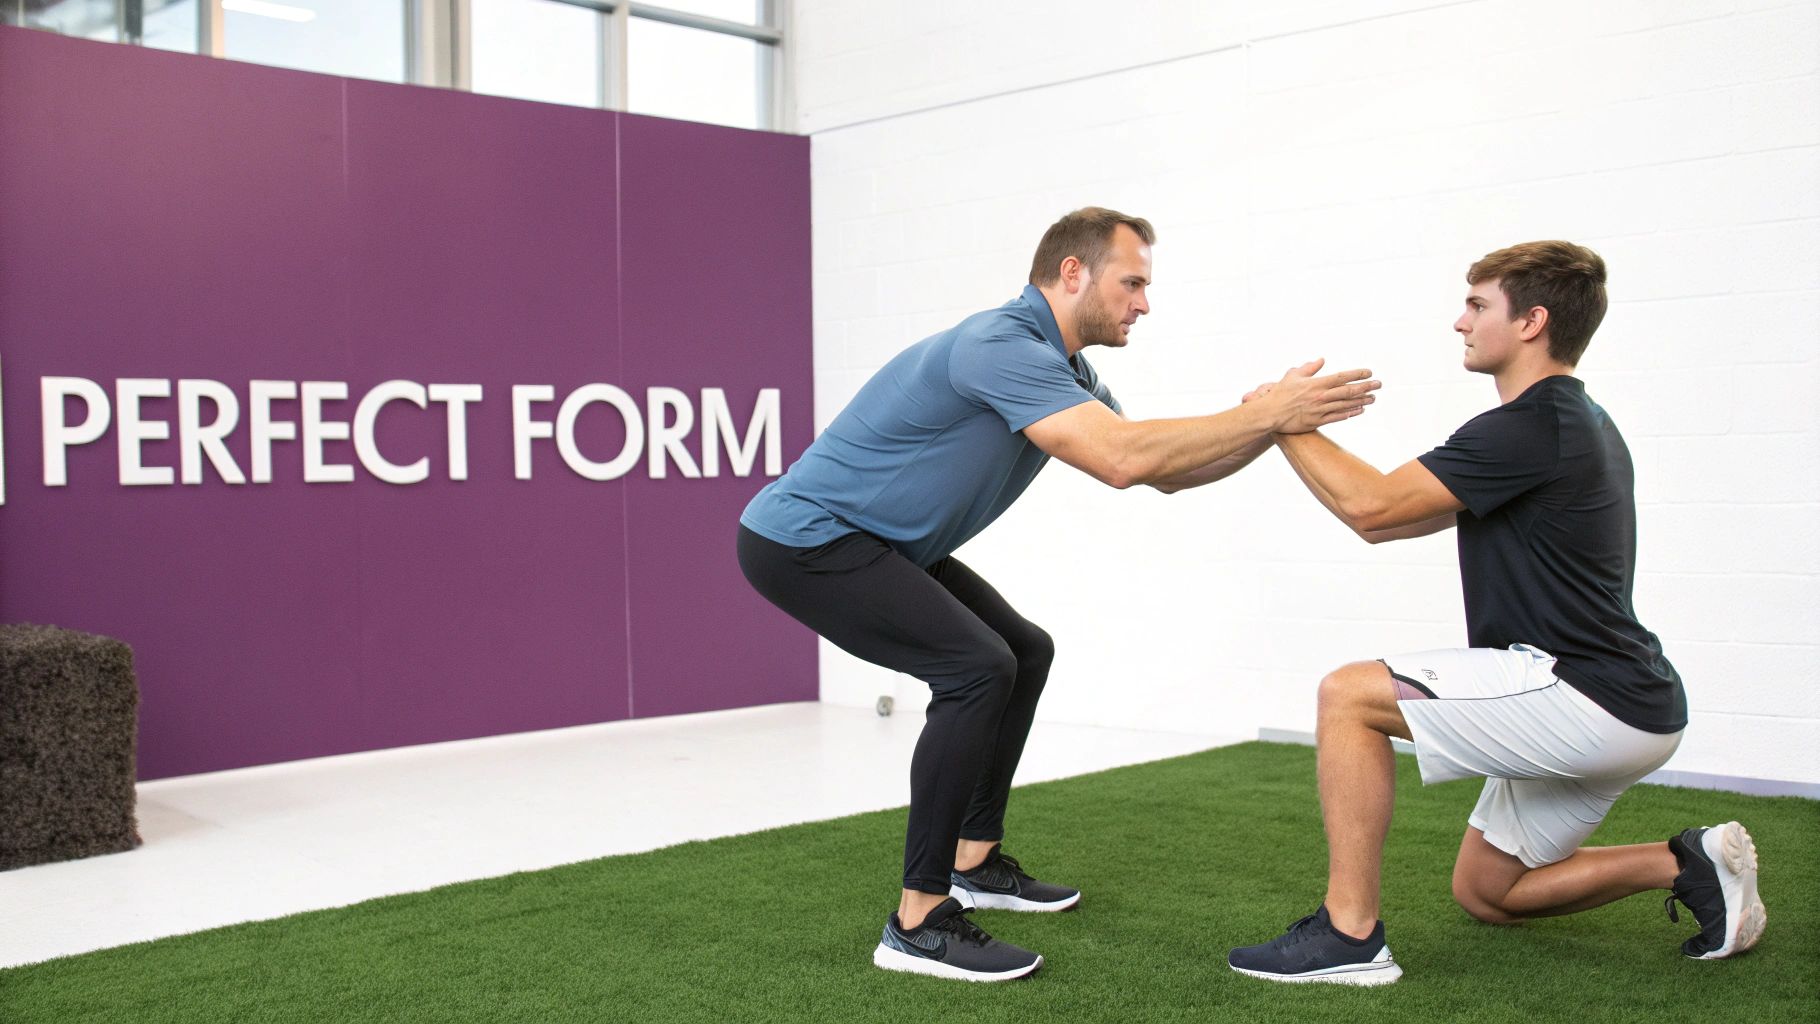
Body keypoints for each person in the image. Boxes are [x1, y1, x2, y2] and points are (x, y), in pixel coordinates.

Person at [738, 207, 1380, 982]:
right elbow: (1120, 459)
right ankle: (917, 921)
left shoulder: (1066, 369)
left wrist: (1266, 426)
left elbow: (1163, 469)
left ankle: (974, 860)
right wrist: (1263, 416)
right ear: (1072, 274)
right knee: (976, 667)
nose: (1144, 302)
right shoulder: (999, 345)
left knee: (1023, 651)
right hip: (807, 539)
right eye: (1132, 282)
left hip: (891, 545)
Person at [1226, 240, 1766, 986]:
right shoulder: (1570, 423)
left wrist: (1282, 418)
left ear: (1532, 322)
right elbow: (1393, 519)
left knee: (1347, 696)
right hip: (1634, 708)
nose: (1460, 322)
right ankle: (1685, 863)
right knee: (1488, 892)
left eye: (1478, 305)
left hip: (1583, 695)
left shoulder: (1533, 425)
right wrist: (1288, 426)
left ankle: (1349, 937)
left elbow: (1371, 506)